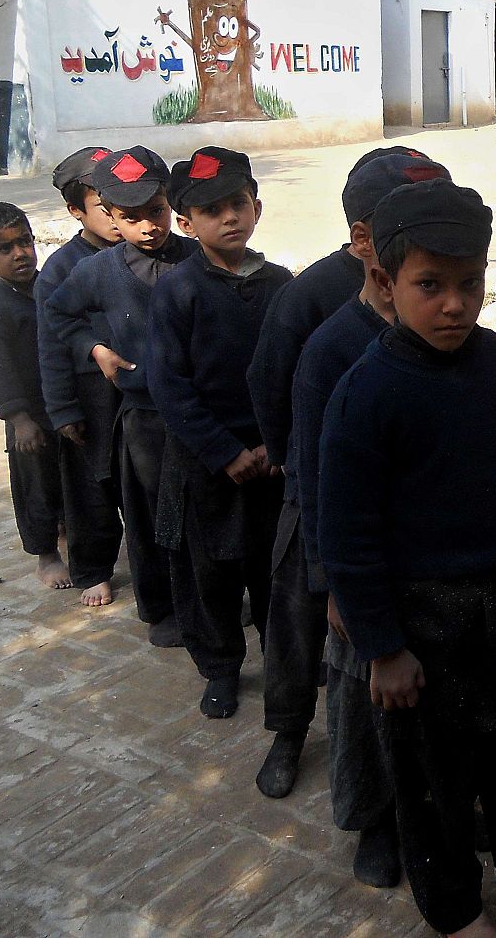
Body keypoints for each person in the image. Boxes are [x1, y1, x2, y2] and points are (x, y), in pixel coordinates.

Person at [319, 179, 496, 937]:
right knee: (434, 778)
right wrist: (383, 648)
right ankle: (453, 909)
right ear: (384, 281)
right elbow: (347, 533)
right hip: (422, 622)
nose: (454, 304)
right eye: (430, 285)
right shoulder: (364, 395)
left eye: (470, 284)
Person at [251, 146, 448, 801]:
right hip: (314, 492)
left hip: (401, 507)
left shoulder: (435, 293)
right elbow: (270, 379)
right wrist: (287, 459)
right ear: (364, 238)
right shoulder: (312, 299)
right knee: (301, 618)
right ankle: (287, 730)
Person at [148, 147, 293, 718]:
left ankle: (286, 663)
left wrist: (276, 444)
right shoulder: (177, 291)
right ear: (187, 224)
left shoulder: (281, 285)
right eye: (211, 210)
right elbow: (169, 384)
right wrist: (223, 451)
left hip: (271, 461)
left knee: (274, 570)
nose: (229, 217)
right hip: (206, 466)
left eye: (238, 203)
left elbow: (294, 371)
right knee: (211, 575)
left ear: (257, 206)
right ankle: (221, 668)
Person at [47, 147, 197, 644]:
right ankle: (162, 610)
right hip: (146, 418)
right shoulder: (98, 271)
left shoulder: (197, 260)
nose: (149, 227)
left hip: (200, 412)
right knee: (152, 519)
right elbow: (57, 312)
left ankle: (205, 600)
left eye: (156, 211)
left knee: (201, 512)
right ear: (110, 217)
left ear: (171, 204)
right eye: (131, 218)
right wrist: (95, 349)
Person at [36, 147, 124, 606]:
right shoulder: (61, 269)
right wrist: (63, 409)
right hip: (90, 397)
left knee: (144, 487)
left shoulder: (144, 255)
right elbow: (51, 346)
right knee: (91, 488)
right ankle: (93, 569)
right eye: (102, 208)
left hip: (138, 393)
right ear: (76, 211)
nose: (115, 217)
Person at [0, 201, 64, 590]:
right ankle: (46, 554)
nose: (20, 254)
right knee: (36, 484)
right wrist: (19, 419)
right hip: (30, 418)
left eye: (25, 242)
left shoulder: (51, 287)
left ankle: (70, 527)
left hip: (66, 404)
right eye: (4, 249)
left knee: (71, 476)